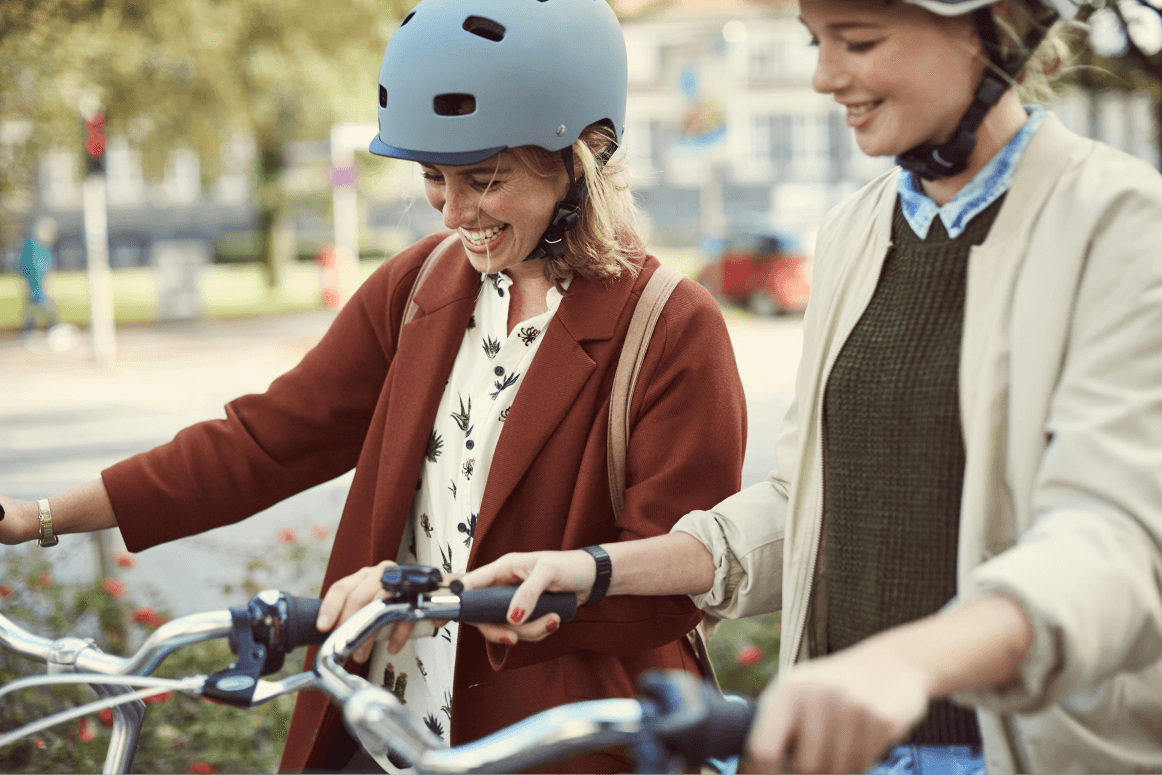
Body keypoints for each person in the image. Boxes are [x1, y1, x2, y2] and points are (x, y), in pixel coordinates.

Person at [0, 1, 747, 772]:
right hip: (387, 724)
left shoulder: (670, 326)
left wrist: (435, 594)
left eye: (484, 179)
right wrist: (40, 515)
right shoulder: (419, 287)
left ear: (583, 155)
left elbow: (671, 582)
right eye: (433, 177)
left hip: (557, 741)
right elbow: (265, 441)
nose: (455, 213)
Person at [460, 0, 1162, 771]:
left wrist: (910, 662)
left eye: (857, 42)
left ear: (991, 31)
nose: (825, 77)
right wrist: (595, 570)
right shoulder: (856, 230)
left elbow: (1115, 541)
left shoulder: (1121, 220)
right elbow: (804, 503)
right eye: (814, 42)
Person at [19, 216, 60, 337]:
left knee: (36, 303)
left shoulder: (42, 246)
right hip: (36, 280)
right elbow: (33, 266)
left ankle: (32, 328)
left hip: (41, 278)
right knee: (41, 301)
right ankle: (50, 326)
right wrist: (39, 281)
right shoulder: (33, 245)